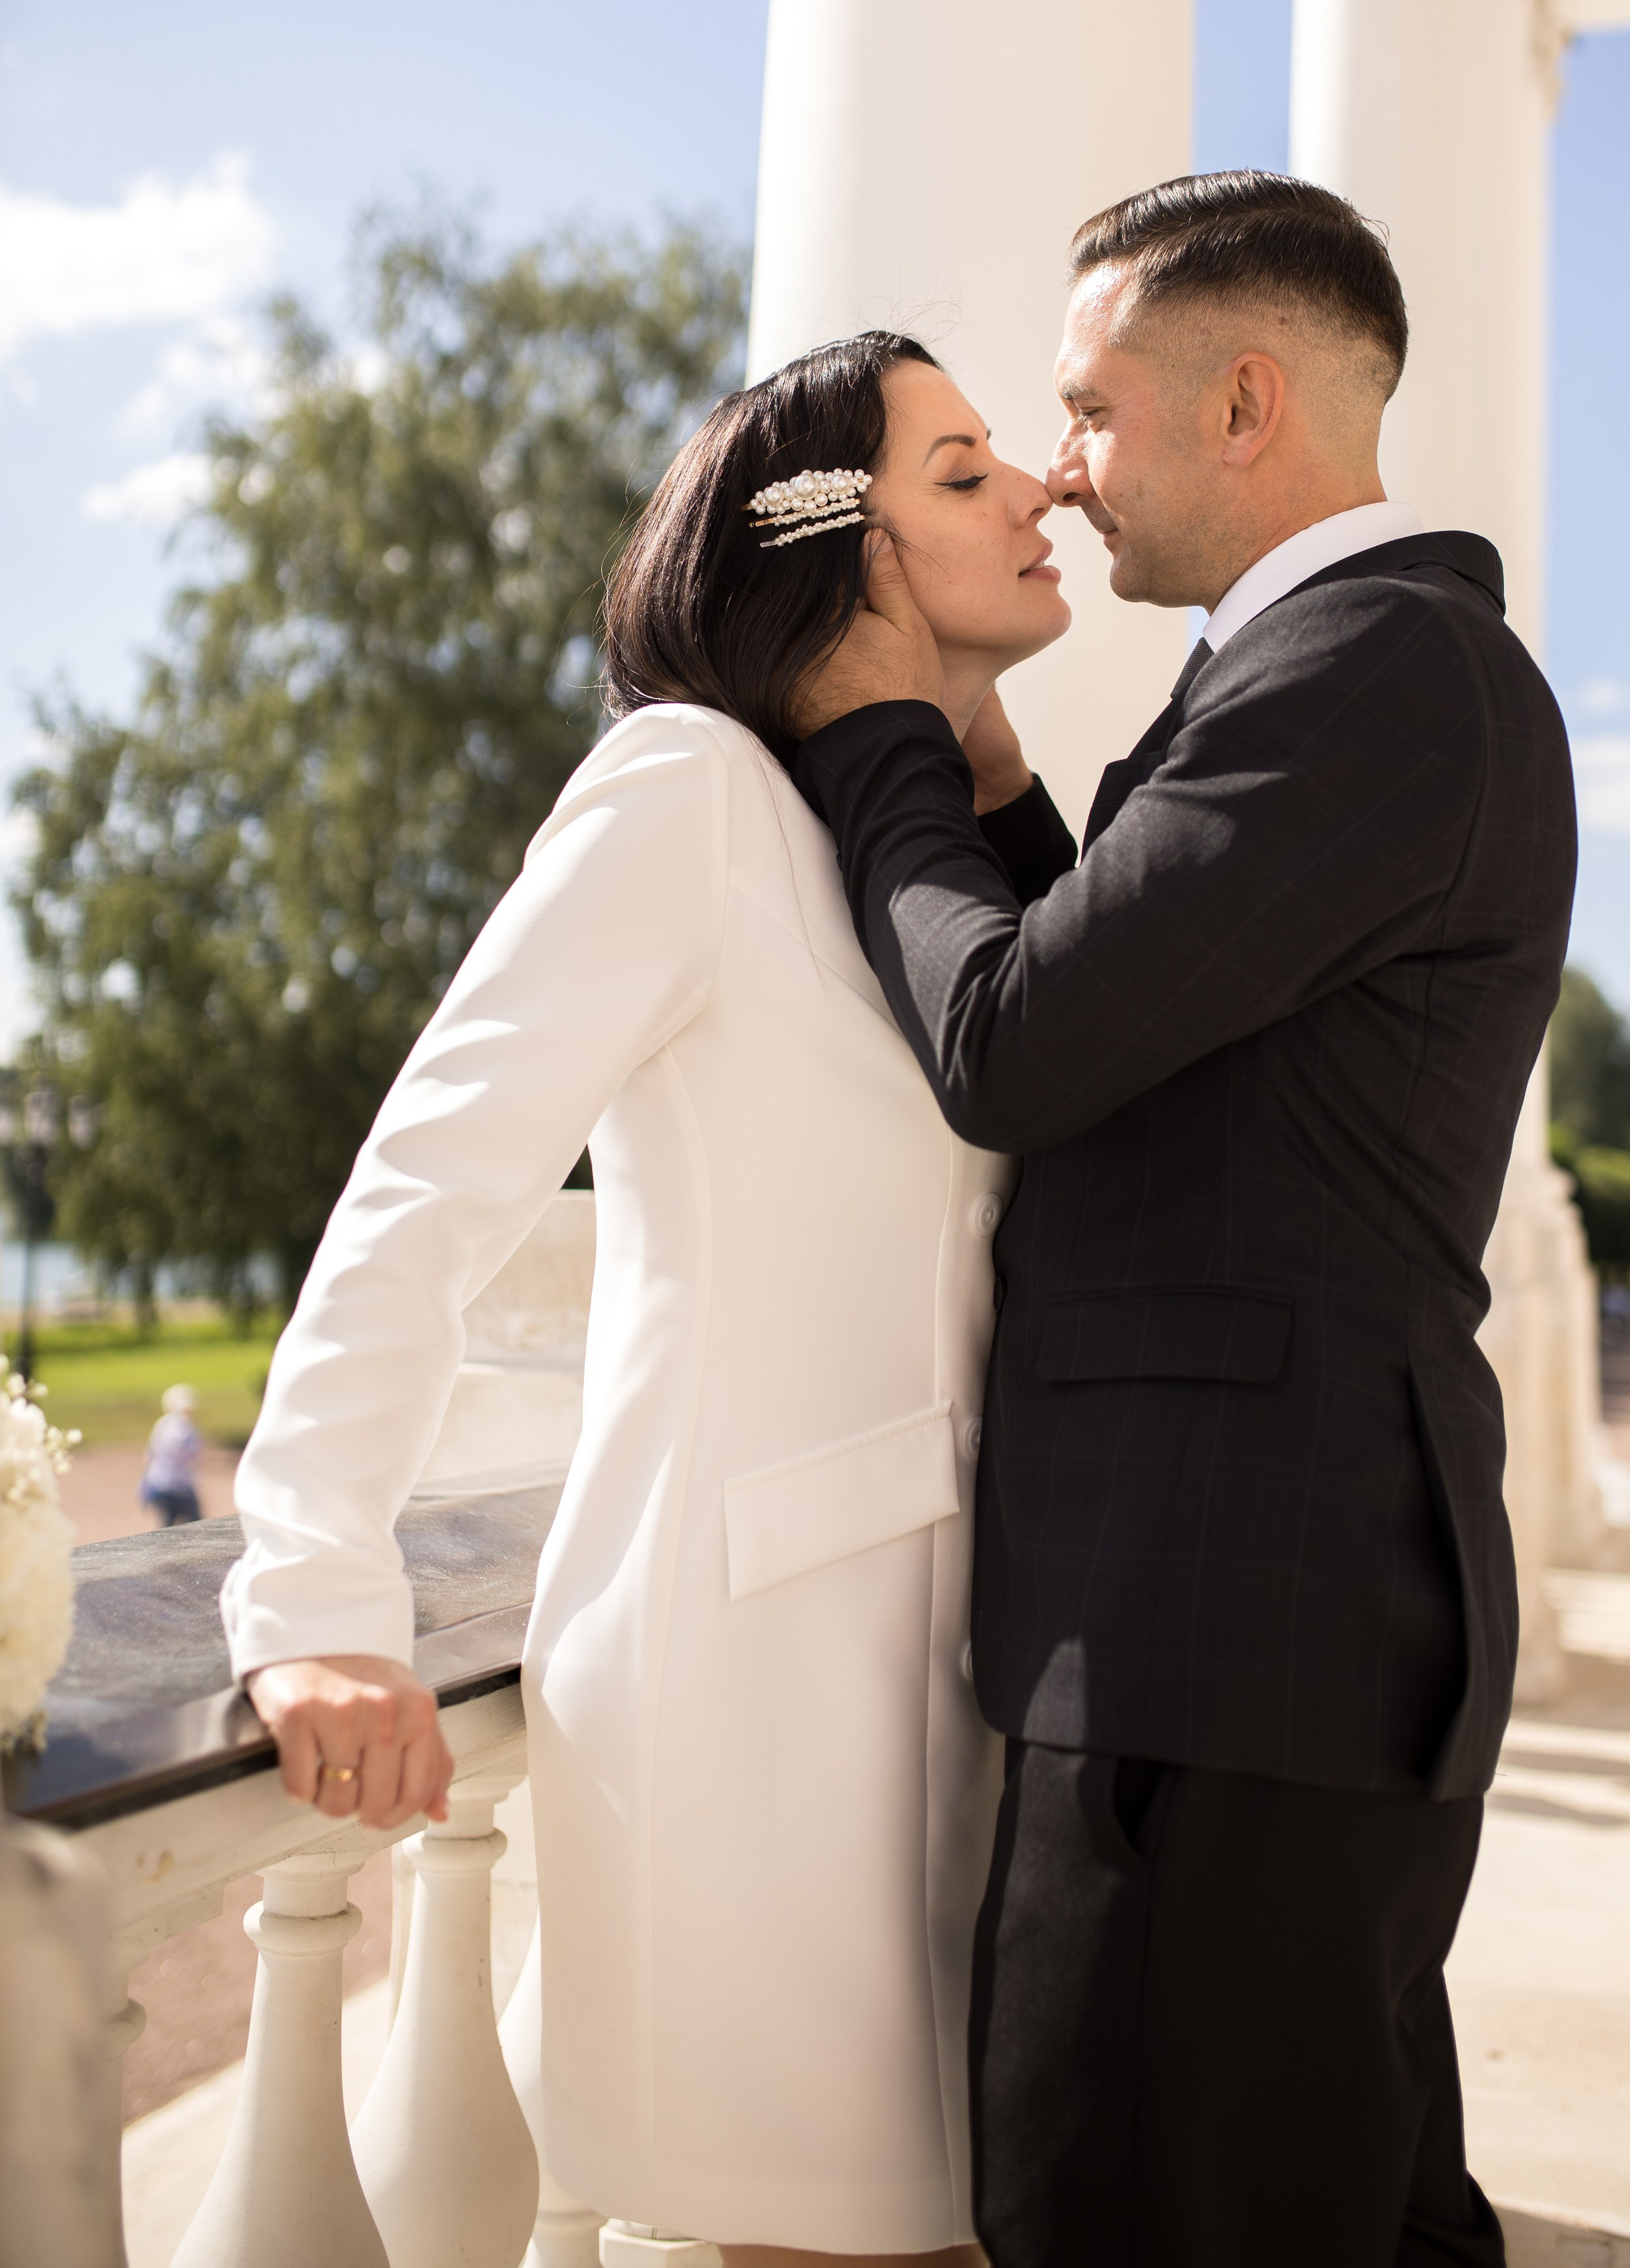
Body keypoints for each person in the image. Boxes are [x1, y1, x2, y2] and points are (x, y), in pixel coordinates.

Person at [792, 173, 1579, 2268]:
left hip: (1214, 1624)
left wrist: (872, 727)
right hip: (1262, 1612)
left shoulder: (1374, 672)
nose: (1057, 464)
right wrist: (977, 769)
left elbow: (1018, 1037)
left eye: (1087, 408)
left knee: (1123, 2208)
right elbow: (1153, 998)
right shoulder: (1354, 668)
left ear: (1244, 403)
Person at [220, 332, 1072, 2266]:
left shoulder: (917, 861)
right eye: (963, 471)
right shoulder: (682, 791)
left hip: (969, 1700)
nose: (1038, 492)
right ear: (838, 550)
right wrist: (315, 1594)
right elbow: (431, 1176)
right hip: (750, 1698)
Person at [139, 1383, 204, 1528]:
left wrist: (145, 1483)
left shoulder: (162, 1423)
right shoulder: (183, 1426)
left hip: (159, 1481)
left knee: (168, 1526)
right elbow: (185, 1452)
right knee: (198, 1526)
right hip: (178, 1485)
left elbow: (150, 1453)